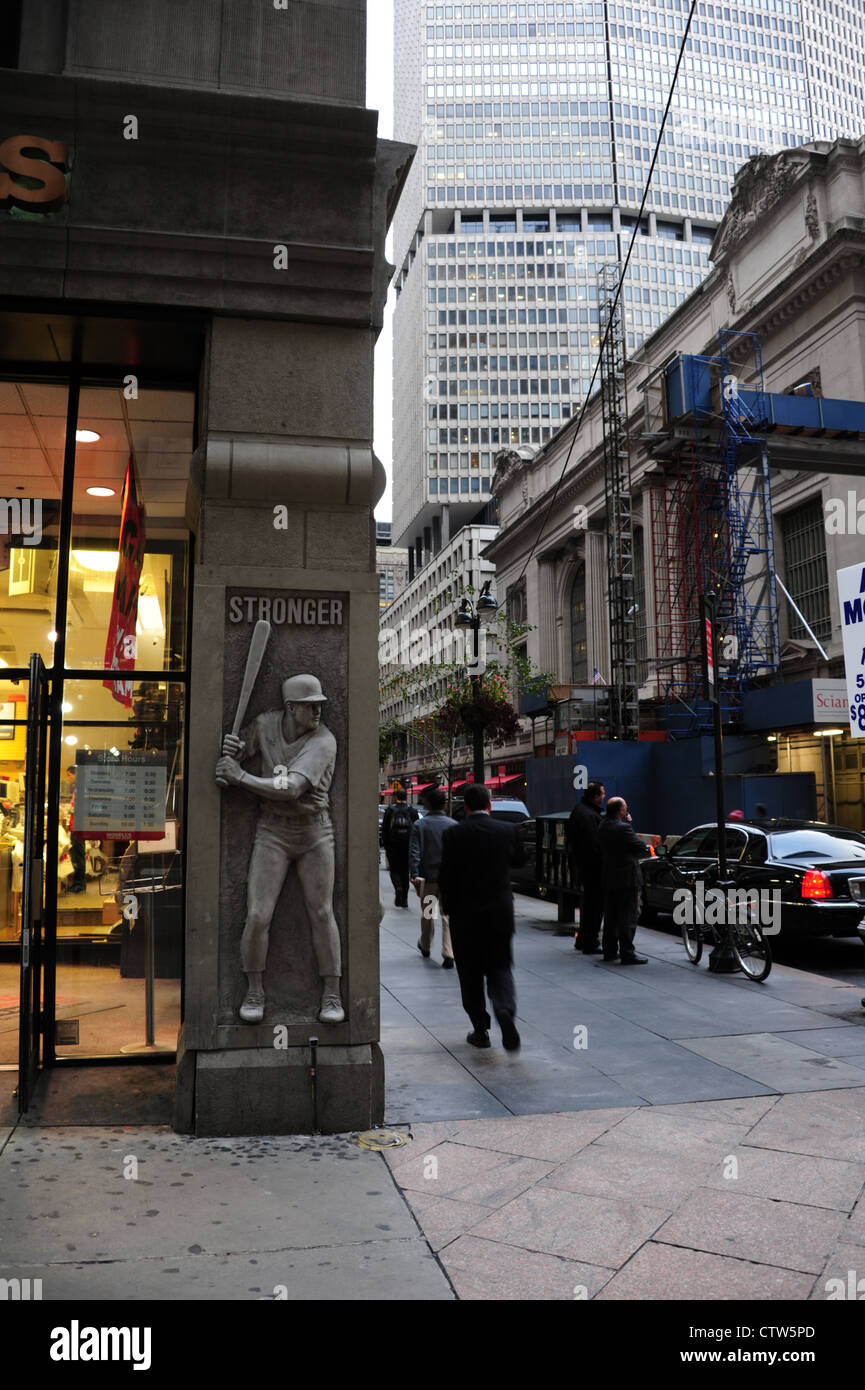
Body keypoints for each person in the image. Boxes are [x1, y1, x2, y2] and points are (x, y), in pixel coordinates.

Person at [214, 673, 344, 1027]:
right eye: (310, 706)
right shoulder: (266, 724)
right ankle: (254, 990)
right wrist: (235, 749)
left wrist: (239, 776)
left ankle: (331, 992)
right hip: (272, 830)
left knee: (321, 911)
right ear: (290, 708)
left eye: (320, 706)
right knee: (258, 915)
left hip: (315, 831)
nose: (317, 711)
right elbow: (244, 747)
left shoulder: (324, 740)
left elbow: (291, 788)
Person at [438, 783, 526, 1051]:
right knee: (500, 967)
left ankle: (480, 1029)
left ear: (465, 806)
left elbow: (446, 876)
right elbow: (520, 861)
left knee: (470, 974)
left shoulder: (454, 834)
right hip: (499, 913)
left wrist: (448, 908)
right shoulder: (507, 830)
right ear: (490, 805)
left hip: (466, 917)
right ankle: (504, 1009)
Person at [598, 796, 651, 964]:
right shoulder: (623, 828)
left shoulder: (602, 825)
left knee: (611, 916)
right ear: (621, 811)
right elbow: (639, 846)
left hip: (609, 875)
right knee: (628, 916)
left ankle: (610, 951)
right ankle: (627, 952)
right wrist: (629, 825)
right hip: (627, 877)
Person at [409, 787, 456, 968]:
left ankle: (426, 944)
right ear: (444, 804)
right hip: (449, 879)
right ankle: (448, 951)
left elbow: (415, 852)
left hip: (429, 879)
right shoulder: (453, 825)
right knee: (447, 914)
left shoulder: (420, 825)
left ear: (427, 804)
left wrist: (414, 873)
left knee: (429, 913)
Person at [565, 780, 605, 954]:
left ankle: (583, 939)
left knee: (589, 905)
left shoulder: (580, 810)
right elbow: (593, 845)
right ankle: (590, 941)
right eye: (602, 793)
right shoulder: (588, 815)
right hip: (592, 868)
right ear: (596, 797)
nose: (604, 796)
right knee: (594, 906)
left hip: (584, 866)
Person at [381, 787, 419, 908]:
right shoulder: (412, 811)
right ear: (406, 797)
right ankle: (405, 899)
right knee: (405, 871)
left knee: (394, 870)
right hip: (407, 846)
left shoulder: (390, 811)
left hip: (393, 846)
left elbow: (385, 830)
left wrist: (386, 846)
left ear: (395, 797)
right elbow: (416, 829)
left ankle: (398, 887)